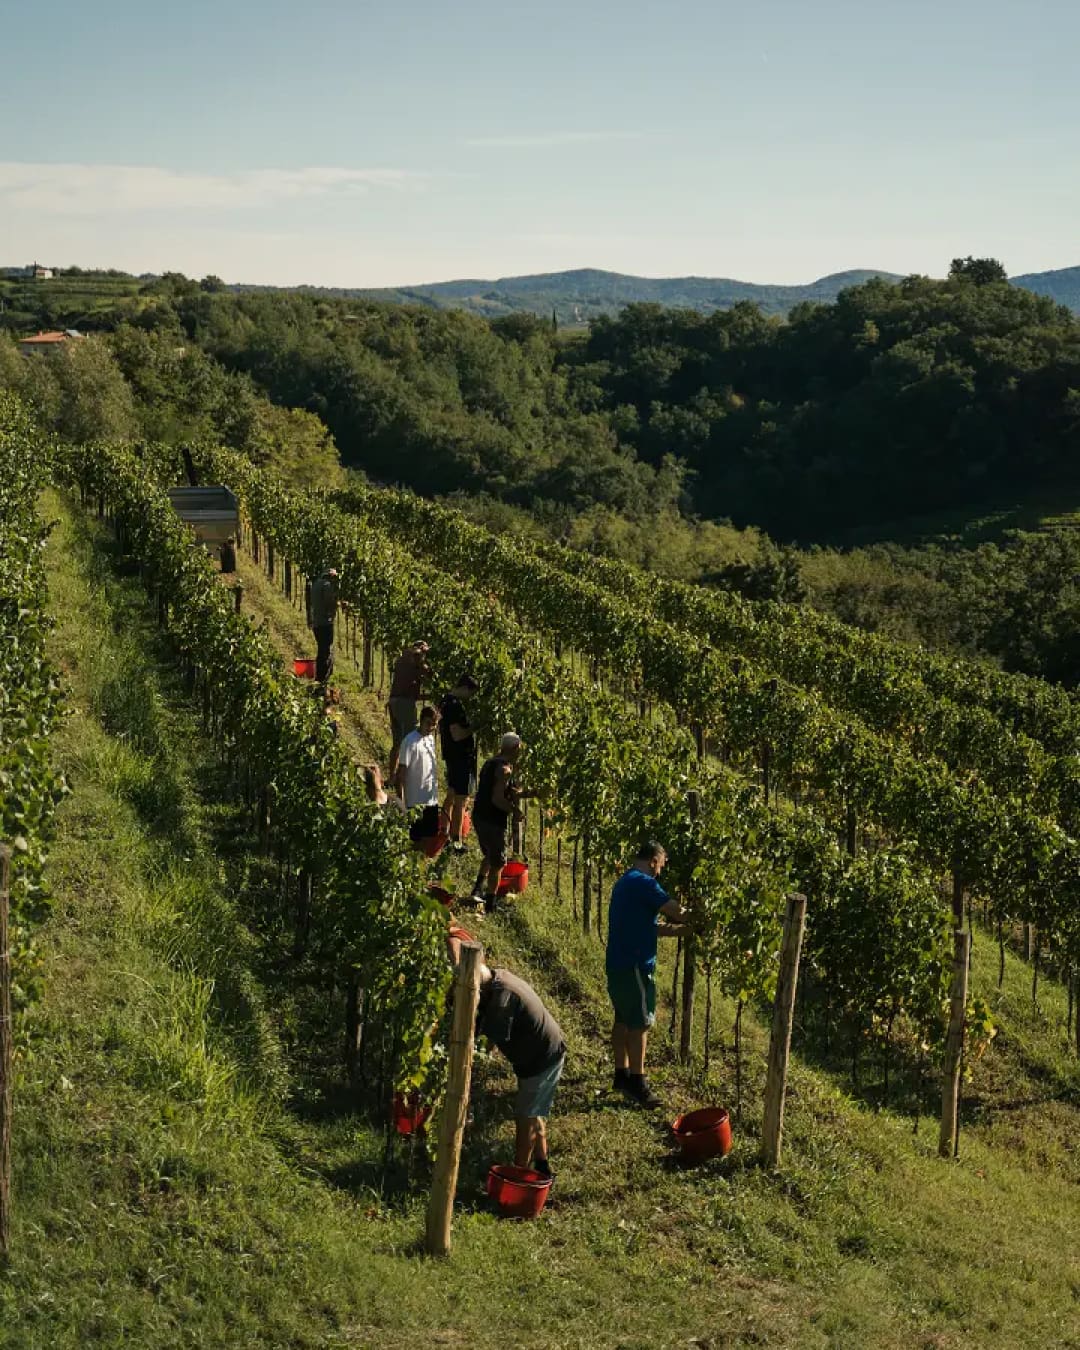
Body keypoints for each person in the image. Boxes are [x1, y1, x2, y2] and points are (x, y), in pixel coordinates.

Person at [448, 930, 565, 1178]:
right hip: (534, 1056)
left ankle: (519, 1173)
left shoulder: (502, 999)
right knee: (533, 1108)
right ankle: (542, 1164)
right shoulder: (496, 979)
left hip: (543, 1058)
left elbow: (488, 1042)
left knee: (525, 1116)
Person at [605, 841, 687, 1108]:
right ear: (654, 860)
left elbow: (647, 927)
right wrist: (704, 918)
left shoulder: (625, 882)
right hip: (636, 966)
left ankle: (622, 1074)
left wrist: (682, 932)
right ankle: (639, 1083)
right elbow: (677, 912)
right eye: (661, 866)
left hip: (618, 963)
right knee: (640, 1024)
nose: (660, 872)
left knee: (623, 1019)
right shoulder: (645, 883)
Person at [470, 732, 534, 911]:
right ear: (514, 748)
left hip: (479, 816)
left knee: (490, 854)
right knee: (499, 863)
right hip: (492, 820)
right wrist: (515, 811)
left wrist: (528, 793)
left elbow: (503, 790)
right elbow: (497, 798)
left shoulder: (490, 763)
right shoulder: (504, 769)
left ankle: (477, 888)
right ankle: (490, 903)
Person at [438, 674, 478, 851]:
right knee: (462, 798)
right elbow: (457, 734)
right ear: (465, 688)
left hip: (452, 755)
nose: (470, 698)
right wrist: (475, 727)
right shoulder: (454, 706)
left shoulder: (445, 700)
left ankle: (443, 832)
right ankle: (456, 841)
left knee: (452, 794)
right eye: (471, 693)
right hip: (460, 757)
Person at [395, 705, 441, 843]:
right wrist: (402, 803)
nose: (431, 728)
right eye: (428, 723)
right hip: (415, 802)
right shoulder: (409, 741)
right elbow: (401, 775)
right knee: (415, 841)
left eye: (434, 725)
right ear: (421, 720)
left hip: (431, 800)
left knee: (430, 838)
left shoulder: (430, 740)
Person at [387, 641, 430, 777]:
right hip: (405, 704)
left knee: (397, 742)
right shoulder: (415, 657)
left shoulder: (402, 659)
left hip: (394, 701)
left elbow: (410, 690)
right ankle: (403, 777)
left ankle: (392, 777)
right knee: (410, 741)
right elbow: (427, 672)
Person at [309, 567, 339, 686]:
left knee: (321, 649)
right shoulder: (326, 585)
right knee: (325, 650)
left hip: (316, 622)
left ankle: (320, 677)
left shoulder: (315, 584)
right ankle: (322, 679)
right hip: (325, 623)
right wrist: (337, 604)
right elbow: (329, 602)